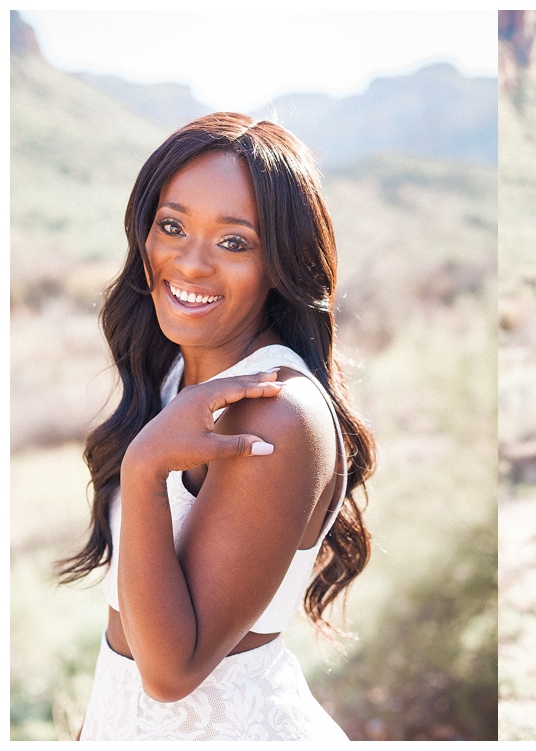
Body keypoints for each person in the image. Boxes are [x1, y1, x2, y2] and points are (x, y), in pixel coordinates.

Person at [57, 113, 375, 741]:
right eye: (171, 227)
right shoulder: (177, 370)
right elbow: (125, 652)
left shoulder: (278, 413)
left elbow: (172, 673)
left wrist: (146, 467)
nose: (191, 264)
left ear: (281, 263)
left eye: (234, 242)